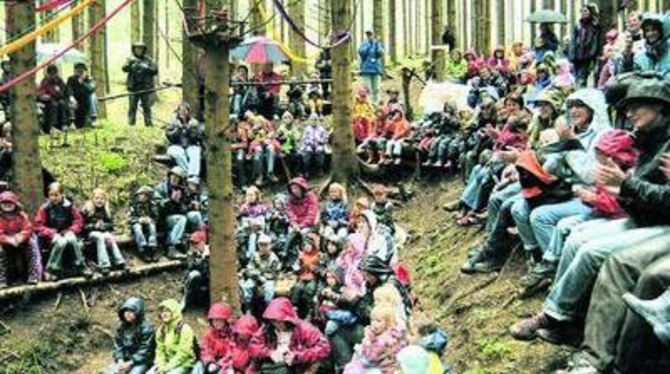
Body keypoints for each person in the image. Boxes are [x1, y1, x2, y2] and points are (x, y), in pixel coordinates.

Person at [249, 297, 331, 373]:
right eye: (274, 321)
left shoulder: (304, 329)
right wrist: (269, 353)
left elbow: (324, 348)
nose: (277, 324)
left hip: (298, 367)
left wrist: (298, 356)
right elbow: (253, 346)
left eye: (280, 321)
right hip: (272, 366)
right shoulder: (267, 328)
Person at [36, 182, 89, 281]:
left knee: (72, 239)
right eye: (51, 195)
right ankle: (51, 269)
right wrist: (51, 232)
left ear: (62, 194)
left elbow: (79, 221)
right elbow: (38, 226)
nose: (54, 198)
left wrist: (71, 230)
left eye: (56, 195)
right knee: (61, 242)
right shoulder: (44, 208)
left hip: (67, 232)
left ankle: (81, 266)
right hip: (51, 237)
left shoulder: (69, 206)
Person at [343, 305, 408, 374]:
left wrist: (367, 339)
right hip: (382, 365)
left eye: (378, 321)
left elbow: (370, 357)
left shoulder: (384, 340)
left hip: (385, 369)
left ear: (388, 323)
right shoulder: (392, 332)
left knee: (353, 368)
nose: (374, 324)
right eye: (372, 320)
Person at [0, 191, 41, 288]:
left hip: (21, 242)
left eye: (10, 203)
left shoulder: (21, 216)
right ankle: (2, 279)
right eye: (4, 203)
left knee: (32, 244)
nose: (7, 205)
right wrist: (8, 239)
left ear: (15, 204)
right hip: (5, 243)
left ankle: (34, 276)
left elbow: (28, 228)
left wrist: (20, 237)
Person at [81, 188, 125, 276]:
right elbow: (82, 226)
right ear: (92, 199)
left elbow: (111, 225)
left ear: (104, 200)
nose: (99, 201)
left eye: (101, 199)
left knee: (110, 237)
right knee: (100, 237)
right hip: (91, 233)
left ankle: (119, 261)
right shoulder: (86, 210)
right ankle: (104, 265)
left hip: (103, 232)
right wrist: (93, 226)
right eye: (97, 198)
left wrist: (104, 225)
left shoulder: (106, 210)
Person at [105, 297, 155, 374]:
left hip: (141, 361)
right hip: (125, 359)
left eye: (131, 311)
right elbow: (118, 345)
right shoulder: (122, 328)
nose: (127, 314)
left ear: (138, 312)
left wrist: (130, 362)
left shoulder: (146, 329)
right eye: (125, 311)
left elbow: (146, 350)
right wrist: (120, 359)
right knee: (108, 371)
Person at [150, 299, 197, 374]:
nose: (164, 314)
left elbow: (183, 353)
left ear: (174, 312)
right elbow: (160, 351)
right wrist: (160, 365)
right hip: (166, 363)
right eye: (162, 311)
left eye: (167, 311)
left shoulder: (184, 329)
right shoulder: (161, 330)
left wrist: (167, 367)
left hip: (183, 364)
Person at [239, 233, 281, 312]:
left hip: (268, 279)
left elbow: (274, 273)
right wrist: (257, 276)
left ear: (270, 246)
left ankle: (268, 311)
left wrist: (263, 276)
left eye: (265, 245)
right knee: (246, 286)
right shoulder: (255, 256)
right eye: (261, 245)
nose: (263, 248)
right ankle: (248, 310)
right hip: (256, 278)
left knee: (269, 290)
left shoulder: (274, 258)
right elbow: (249, 269)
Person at [154, 167, 188, 260]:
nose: (174, 179)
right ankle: (172, 246)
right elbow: (157, 205)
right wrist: (170, 200)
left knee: (190, 217)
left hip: (174, 217)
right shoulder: (161, 187)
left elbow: (184, 208)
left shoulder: (181, 190)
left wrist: (179, 203)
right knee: (181, 219)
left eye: (177, 178)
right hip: (161, 218)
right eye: (173, 176)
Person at [122, 42, 158, 127]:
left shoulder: (148, 60)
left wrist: (146, 67)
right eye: (137, 49)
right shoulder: (130, 59)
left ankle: (148, 123)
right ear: (134, 50)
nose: (139, 50)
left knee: (146, 107)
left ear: (144, 50)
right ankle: (131, 122)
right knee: (132, 106)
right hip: (133, 87)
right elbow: (124, 68)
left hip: (145, 88)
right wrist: (131, 64)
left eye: (140, 49)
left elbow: (155, 71)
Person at [195, 303, 236, 374]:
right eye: (214, 320)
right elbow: (205, 350)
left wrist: (220, 364)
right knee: (198, 366)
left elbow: (232, 353)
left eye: (219, 320)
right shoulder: (209, 334)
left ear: (225, 320)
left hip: (226, 364)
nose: (216, 323)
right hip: (212, 363)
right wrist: (210, 362)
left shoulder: (232, 334)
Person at [166, 102, 204, 178]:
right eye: (181, 110)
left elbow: (198, 137)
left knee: (195, 153)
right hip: (176, 145)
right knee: (178, 154)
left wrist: (190, 131)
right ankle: (187, 174)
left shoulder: (194, 123)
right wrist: (177, 130)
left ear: (188, 112)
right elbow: (169, 136)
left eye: (185, 110)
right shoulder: (173, 122)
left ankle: (193, 175)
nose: (182, 112)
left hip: (191, 145)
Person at [568, 3, 602, 86]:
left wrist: (593, 54)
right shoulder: (578, 25)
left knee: (582, 78)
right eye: (582, 11)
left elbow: (596, 40)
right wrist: (571, 56)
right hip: (577, 56)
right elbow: (573, 41)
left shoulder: (594, 25)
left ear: (590, 12)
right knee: (576, 78)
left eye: (586, 11)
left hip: (588, 57)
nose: (584, 13)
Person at [129, 186, 159, 262]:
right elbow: (130, 218)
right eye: (141, 194)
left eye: (145, 195)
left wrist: (149, 219)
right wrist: (138, 220)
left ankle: (152, 247)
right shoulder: (133, 204)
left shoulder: (152, 205)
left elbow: (155, 217)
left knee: (152, 227)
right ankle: (142, 248)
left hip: (148, 223)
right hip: (136, 223)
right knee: (137, 228)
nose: (142, 197)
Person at [181, 231, 209, 310]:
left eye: (196, 243)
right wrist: (192, 256)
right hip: (195, 280)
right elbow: (189, 268)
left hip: (207, 280)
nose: (194, 245)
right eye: (192, 243)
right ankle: (185, 300)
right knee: (193, 274)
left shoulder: (209, 253)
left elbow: (205, 270)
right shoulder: (192, 253)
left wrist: (201, 259)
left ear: (203, 243)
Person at [38, 64, 69, 132]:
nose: (52, 75)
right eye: (51, 73)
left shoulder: (60, 81)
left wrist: (58, 91)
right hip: (48, 100)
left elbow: (63, 93)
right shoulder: (45, 81)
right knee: (53, 105)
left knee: (62, 104)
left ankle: (63, 124)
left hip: (58, 98)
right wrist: (44, 95)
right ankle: (52, 126)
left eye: (54, 73)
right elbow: (41, 91)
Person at [358, 29, 385, 106]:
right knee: (367, 88)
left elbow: (380, 53)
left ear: (373, 35)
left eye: (370, 34)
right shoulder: (364, 44)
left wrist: (376, 45)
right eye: (368, 34)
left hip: (376, 69)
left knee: (376, 88)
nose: (369, 36)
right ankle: (368, 104)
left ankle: (376, 104)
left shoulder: (377, 43)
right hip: (366, 70)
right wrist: (369, 45)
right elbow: (362, 52)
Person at [66, 62, 96, 128]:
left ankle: (92, 118)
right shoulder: (71, 79)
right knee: (68, 100)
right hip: (75, 100)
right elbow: (68, 89)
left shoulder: (89, 79)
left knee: (92, 96)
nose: (80, 73)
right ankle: (71, 122)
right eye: (78, 71)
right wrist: (71, 97)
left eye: (81, 71)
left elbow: (91, 89)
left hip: (85, 101)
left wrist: (82, 82)